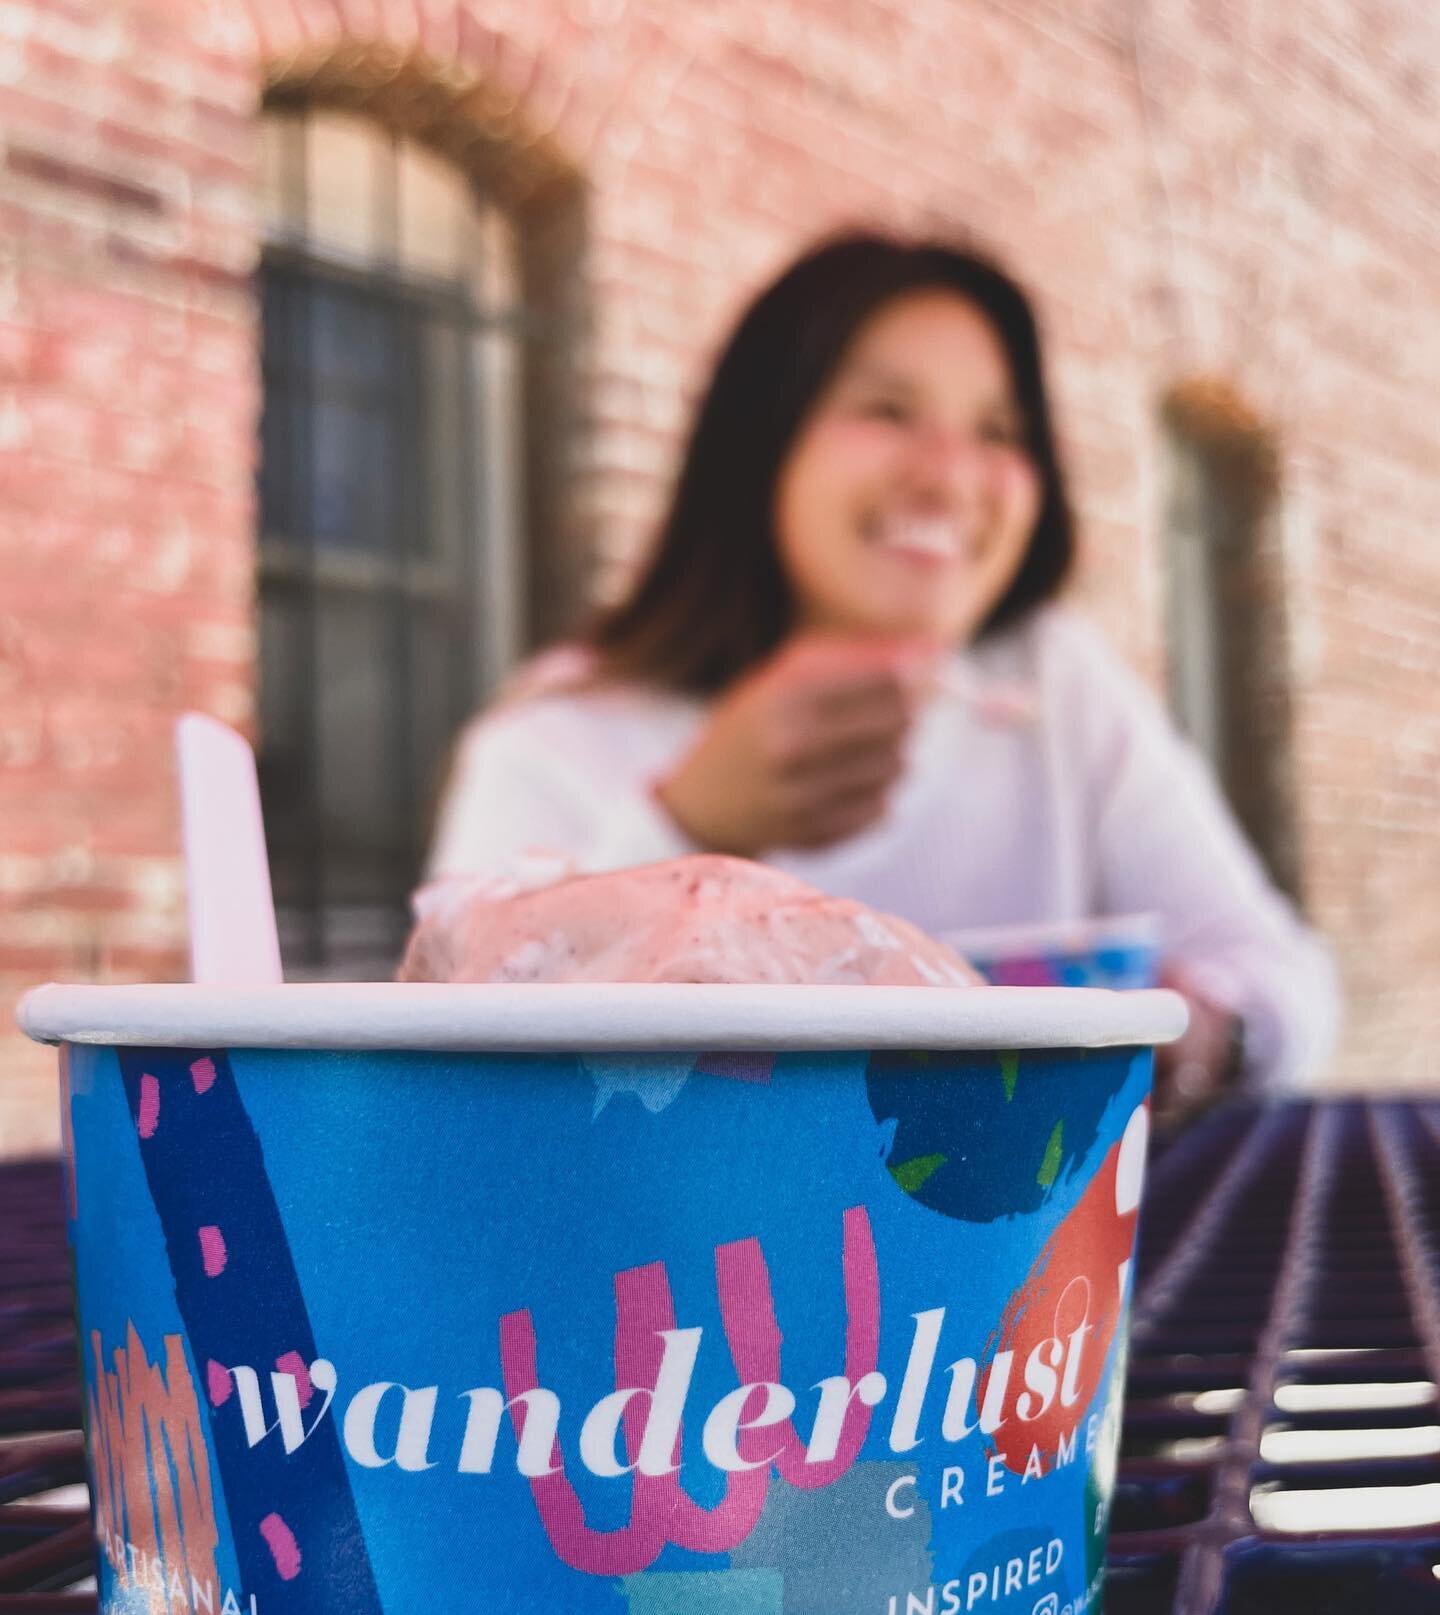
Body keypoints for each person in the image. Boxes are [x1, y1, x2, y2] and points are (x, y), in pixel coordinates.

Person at [425, 231, 1339, 1112]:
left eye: (998, 429)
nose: (950, 478)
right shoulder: (552, 736)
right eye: (888, 411)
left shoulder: (1058, 682)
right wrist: (688, 820)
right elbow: (464, 1094)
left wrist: (1209, 1031)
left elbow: (1288, 981)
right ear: (762, 445)